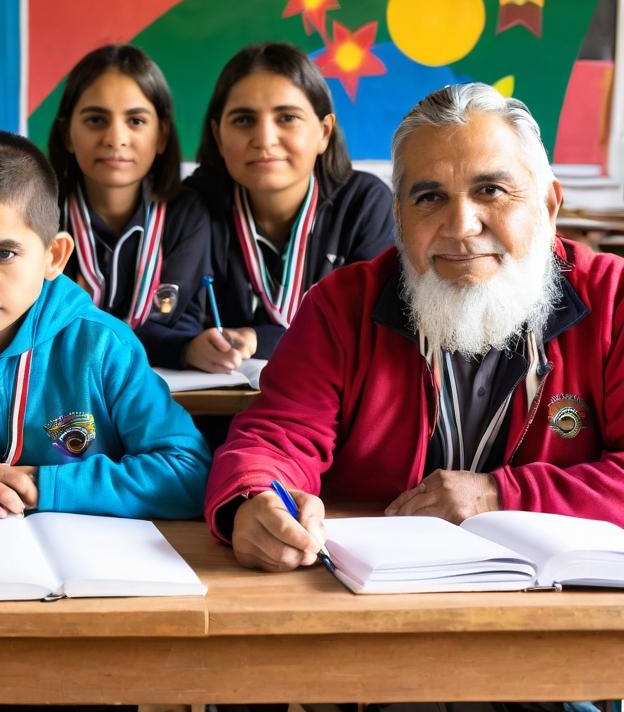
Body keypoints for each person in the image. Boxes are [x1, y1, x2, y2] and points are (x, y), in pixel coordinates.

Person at [206, 82, 624, 571]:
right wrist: (255, 499)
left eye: (491, 190)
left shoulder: (614, 301)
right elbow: (276, 438)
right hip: (371, 602)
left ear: (548, 206)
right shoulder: (341, 307)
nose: (461, 225)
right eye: (429, 197)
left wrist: (496, 494)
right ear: (400, 220)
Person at [0, 130, 210, 519]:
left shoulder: (105, 346)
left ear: (54, 256)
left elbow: (187, 471)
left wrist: (44, 485)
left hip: (90, 565)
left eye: (3, 254)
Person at [184, 42, 393, 373]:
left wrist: (260, 339)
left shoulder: (365, 205)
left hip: (334, 412)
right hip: (217, 410)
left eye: (287, 118)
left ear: (324, 132)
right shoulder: (193, 205)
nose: (265, 139)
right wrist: (187, 348)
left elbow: (370, 329)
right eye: (243, 120)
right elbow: (168, 319)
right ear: (218, 135)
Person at [47, 44, 209, 369]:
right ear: (67, 134)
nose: (115, 138)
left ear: (161, 135)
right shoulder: (39, 210)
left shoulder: (185, 213)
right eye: (96, 120)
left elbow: (178, 322)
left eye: (136, 121)